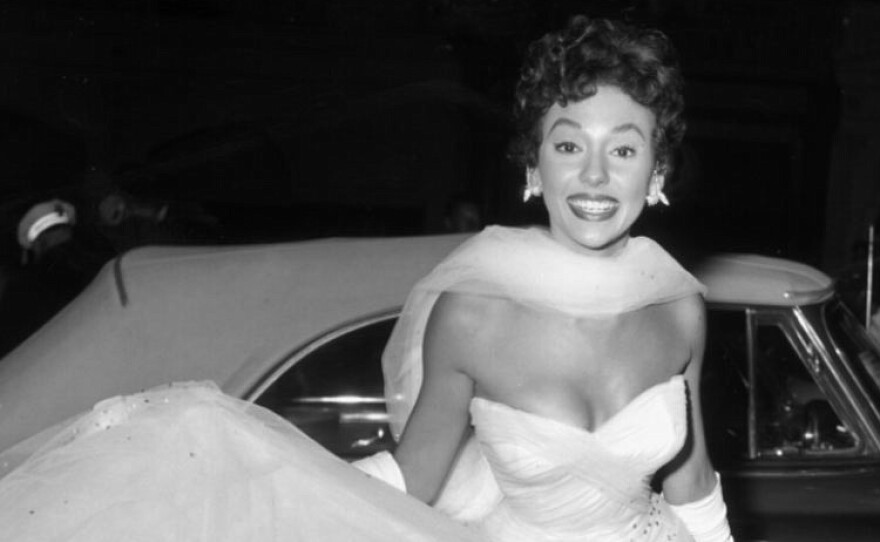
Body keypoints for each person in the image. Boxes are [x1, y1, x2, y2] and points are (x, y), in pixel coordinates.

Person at [0, 15, 731, 542]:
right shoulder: (473, 316)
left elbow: (693, 485)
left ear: (657, 172)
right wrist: (240, 474)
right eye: (569, 145)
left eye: (624, 150)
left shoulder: (679, 310)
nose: (595, 176)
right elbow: (414, 478)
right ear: (534, 169)